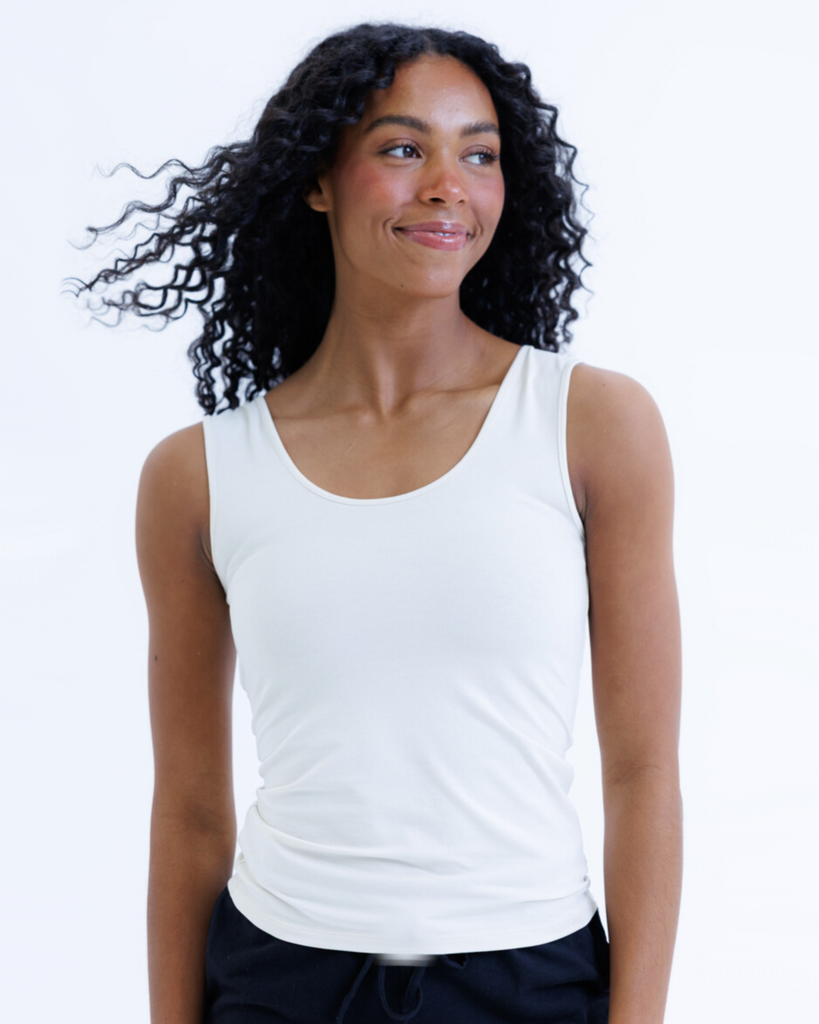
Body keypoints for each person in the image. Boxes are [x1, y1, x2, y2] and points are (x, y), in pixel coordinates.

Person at [73, 21, 682, 1024]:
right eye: (404, 149)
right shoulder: (199, 476)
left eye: (479, 154)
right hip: (281, 981)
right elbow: (187, 810)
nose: (449, 184)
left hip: (527, 979)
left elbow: (645, 768)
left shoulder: (592, 427)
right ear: (318, 179)